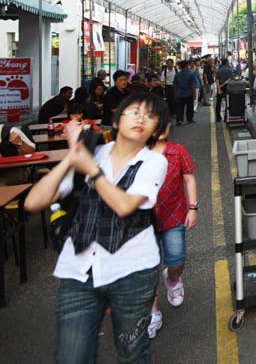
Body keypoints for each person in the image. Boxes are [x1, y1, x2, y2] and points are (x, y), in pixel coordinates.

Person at [24, 93, 169, 363]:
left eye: (150, 117)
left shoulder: (154, 162)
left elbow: (124, 206)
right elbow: (34, 201)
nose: (141, 119)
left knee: (132, 354)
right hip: (78, 271)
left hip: (133, 272)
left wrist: (91, 169)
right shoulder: (89, 155)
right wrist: (71, 156)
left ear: (156, 130)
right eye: (134, 112)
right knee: (72, 356)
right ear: (116, 119)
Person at [147, 121, 198, 338]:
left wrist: (193, 208)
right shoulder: (139, 153)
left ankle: (173, 279)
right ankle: (153, 313)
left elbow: (189, 178)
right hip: (144, 222)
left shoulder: (177, 151)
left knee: (177, 260)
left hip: (174, 216)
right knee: (148, 270)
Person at [173, 60, 197, 125]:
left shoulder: (177, 75)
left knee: (180, 107)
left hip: (179, 93)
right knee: (189, 107)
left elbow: (175, 85)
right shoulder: (190, 74)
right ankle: (189, 119)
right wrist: (194, 93)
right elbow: (193, 85)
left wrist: (175, 94)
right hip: (189, 93)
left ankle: (179, 120)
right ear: (186, 66)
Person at [214, 58, 234, 122]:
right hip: (227, 88)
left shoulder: (218, 71)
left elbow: (217, 80)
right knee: (227, 102)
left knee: (218, 102)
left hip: (219, 87)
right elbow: (229, 80)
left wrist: (219, 87)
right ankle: (226, 117)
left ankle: (218, 117)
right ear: (226, 63)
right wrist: (223, 85)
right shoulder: (229, 70)